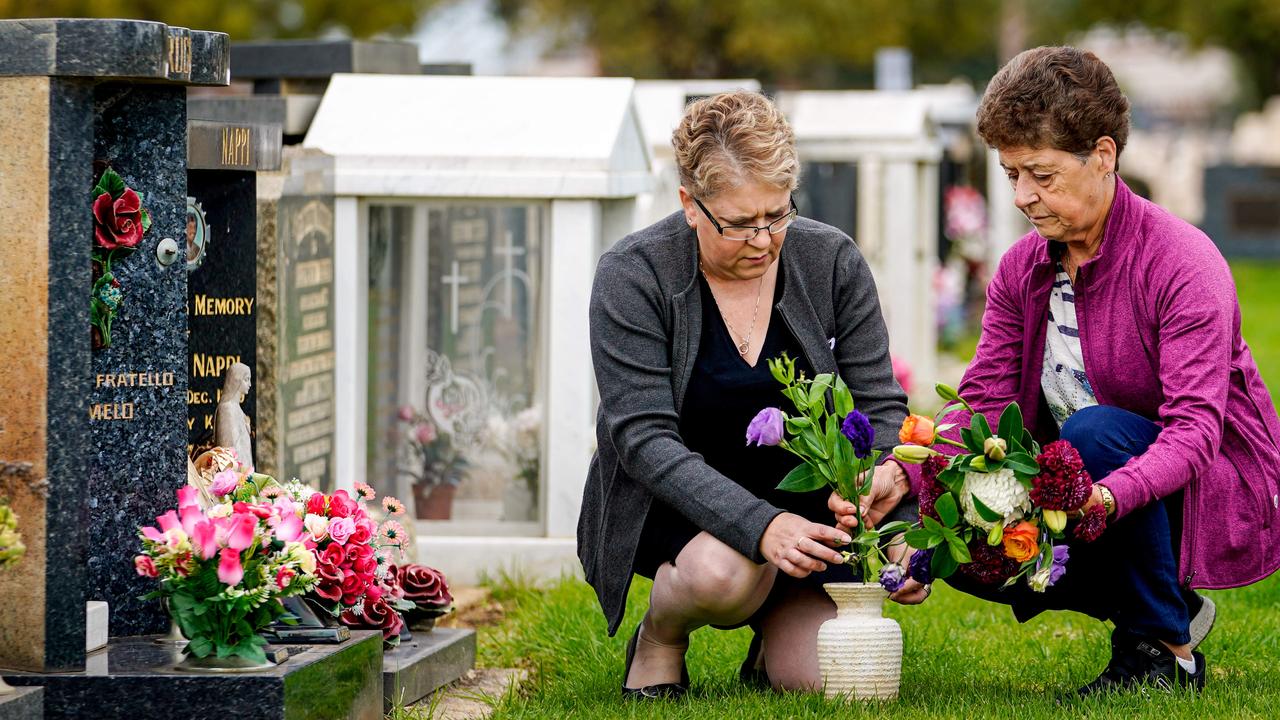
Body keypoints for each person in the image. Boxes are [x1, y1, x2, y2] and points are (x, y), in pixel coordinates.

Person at [835, 46, 1280, 696]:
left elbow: (1194, 434)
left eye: (1040, 175)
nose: (1021, 196)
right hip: (1080, 478)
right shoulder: (1023, 268)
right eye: (1011, 174)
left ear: (1103, 155)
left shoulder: (1183, 263)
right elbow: (984, 401)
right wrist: (904, 473)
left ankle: (1166, 650)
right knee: (949, 512)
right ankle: (1161, 607)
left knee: (1095, 435)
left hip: (1202, 484)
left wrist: (1099, 498)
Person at [578, 90, 921, 700]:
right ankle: (660, 638)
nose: (763, 241)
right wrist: (760, 525)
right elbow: (643, 439)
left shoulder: (830, 259)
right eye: (738, 223)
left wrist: (884, 498)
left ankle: (772, 641)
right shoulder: (635, 273)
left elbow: (880, 402)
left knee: (826, 683)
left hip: (811, 512)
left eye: (778, 214)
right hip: (678, 507)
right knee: (724, 573)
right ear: (689, 203)